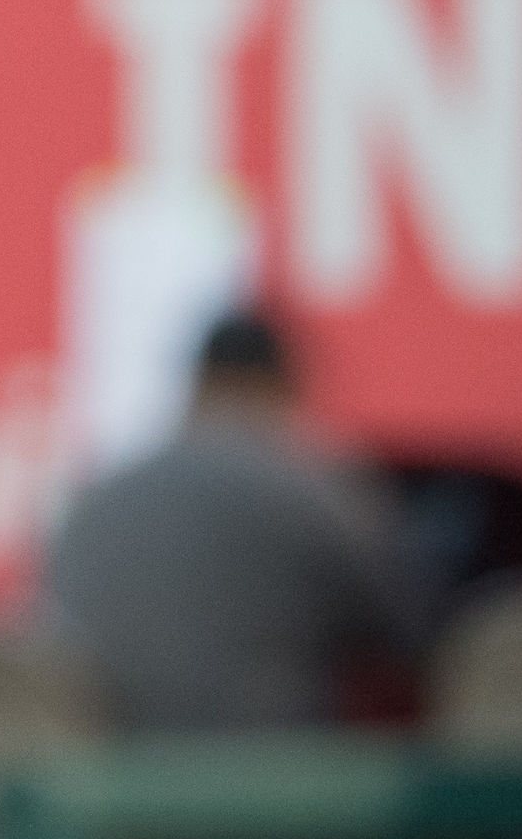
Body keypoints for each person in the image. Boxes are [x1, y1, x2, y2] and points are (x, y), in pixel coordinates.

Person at [42, 311, 422, 739]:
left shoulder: (96, 497)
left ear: (197, 384)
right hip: (256, 784)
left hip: (105, 782)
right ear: (283, 386)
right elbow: (409, 630)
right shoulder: (313, 489)